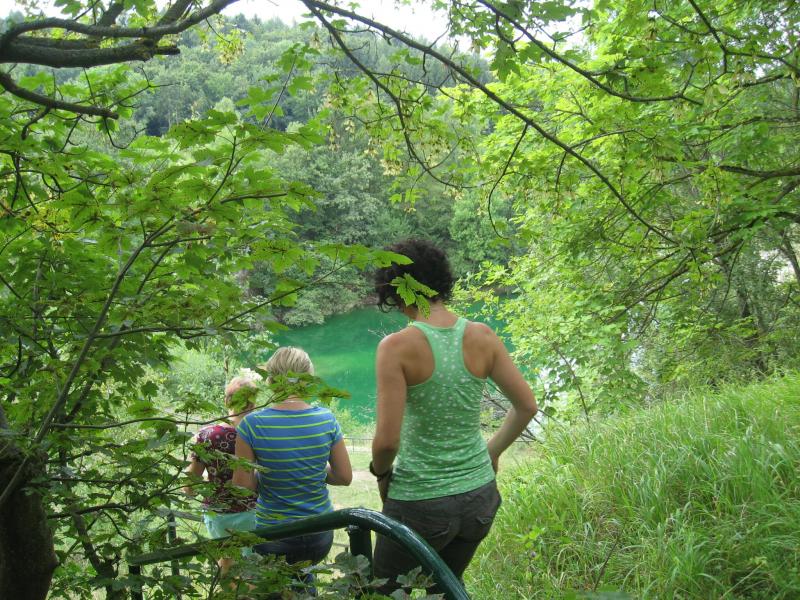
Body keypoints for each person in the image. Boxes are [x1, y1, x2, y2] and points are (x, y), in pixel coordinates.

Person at [369, 238, 538, 595]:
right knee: (444, 588)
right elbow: (526, 406)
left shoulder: (396, 347)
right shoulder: (482, 336)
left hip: (420, 501)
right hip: (480, 497)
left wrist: (381, 474)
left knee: (380, 592)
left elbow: (386, 443)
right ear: (440, 281)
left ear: (394, 288)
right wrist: (492, 452)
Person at [232, 347, 352, 593]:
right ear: (309, 378)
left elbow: (242, 488)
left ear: (271, 380)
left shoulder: (251, 425)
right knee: (304, 578)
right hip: (319, 533)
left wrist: (265, 473)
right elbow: (344, 476)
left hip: (275, 535)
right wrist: (312, 470)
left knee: (277, 590)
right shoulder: (327, 419)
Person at [184, 373, 260, 574]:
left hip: (217, 514)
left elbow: (190, 484)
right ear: (253, 404)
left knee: (226, 561)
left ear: (227, 401)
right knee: (251, 566)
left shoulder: (207, 435)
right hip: (251, 512)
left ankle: (224, 587)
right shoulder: (259, 434)